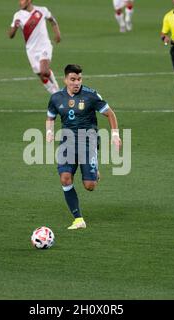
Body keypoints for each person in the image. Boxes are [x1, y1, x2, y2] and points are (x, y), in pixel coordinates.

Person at [46, 64, 122, 230]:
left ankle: (94, 173)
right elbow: (50, 116)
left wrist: (115, 135)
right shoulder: (56, 98)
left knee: (90, 186)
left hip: (88, 141)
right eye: (72, 79)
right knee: (65, 178)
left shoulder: (91, 95)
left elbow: (110, 114)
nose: (76, 82)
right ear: (65, 79)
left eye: (79, 79)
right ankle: (78, 219)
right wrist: (49, 132)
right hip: (67, 142)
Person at [8, 0, 61, 94]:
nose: (20, 2)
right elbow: (10, 35)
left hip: (44, 45)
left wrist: (57, 33)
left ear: (29, 1)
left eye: (22, 0)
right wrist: (15, 26)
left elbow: (52, 20)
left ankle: (56, 87)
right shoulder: (18, 15)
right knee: (41, 75)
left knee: (44, 71)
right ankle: (55, 94)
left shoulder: (42, 10)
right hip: (31, 50)